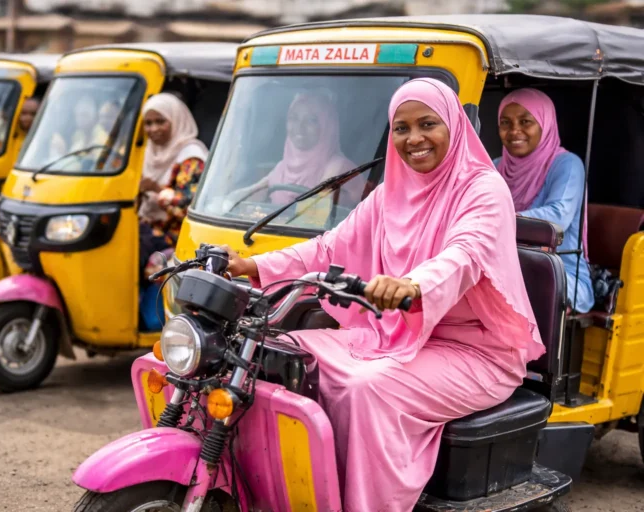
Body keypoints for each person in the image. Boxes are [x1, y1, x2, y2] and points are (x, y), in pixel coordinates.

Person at [222, 78, 545, 512]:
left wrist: (413, 285)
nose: (414, 139)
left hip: (476, 350)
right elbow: (328, 248)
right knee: (281, 351)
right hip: (395, 333)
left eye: (427, 124)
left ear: (453, 126)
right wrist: (252, 266)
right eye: (401, 128)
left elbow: (465, 254)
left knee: (365, 390)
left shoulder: (483, 189)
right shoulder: (391, 191)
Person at [495, 88, 594, 313]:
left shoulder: (567, 164)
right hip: (505, 269)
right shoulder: (494, 167)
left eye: (525, 122)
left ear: (545, 124)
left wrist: (500, 218)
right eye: (505, 123)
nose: (514, 131)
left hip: (558, 273)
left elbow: (559, 216)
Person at [227, 92, 361, 208]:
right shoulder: (283, 167)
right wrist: (226, 202)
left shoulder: (339, 167)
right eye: (293, 118)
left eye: (311, 120)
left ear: (327, 126)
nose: (299, 127)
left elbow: (314, 212)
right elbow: (252, 193)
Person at [138, 92, 208, 279]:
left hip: (178, 236)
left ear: (176, 120)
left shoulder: (191, 157)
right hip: (151, 229)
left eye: (160, 121)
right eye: (148, 123)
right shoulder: (146, 153)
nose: (153, 129)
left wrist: (157, 190)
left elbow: (189, 208)